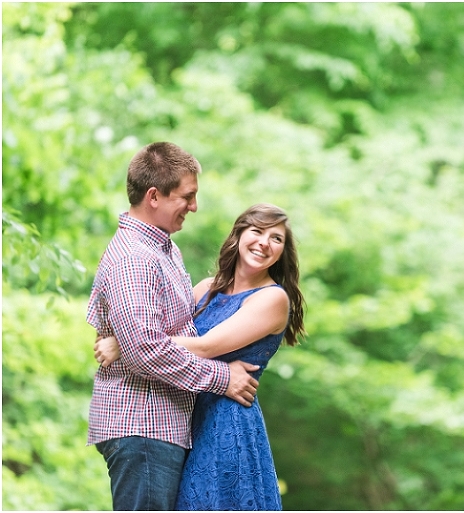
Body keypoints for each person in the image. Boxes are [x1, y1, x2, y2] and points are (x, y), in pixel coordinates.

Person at [95, 203, 306, 510]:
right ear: (238, 235)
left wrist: (124, 345)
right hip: (182, 416)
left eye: (276, 238)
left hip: (226, 422)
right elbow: (157, 331)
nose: (264, 242)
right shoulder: (206, 290)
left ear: (282, 251)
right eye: (257, 231)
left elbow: (206, 346)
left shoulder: (273, 298)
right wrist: (126, 334)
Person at [86, 142, 261, 511]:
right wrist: (222, 378)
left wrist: (122, 340)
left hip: (162, 427)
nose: (194, 207)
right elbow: (147, 351)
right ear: (154, 196)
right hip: (143, 426)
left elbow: (165, 330)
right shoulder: (134, 258)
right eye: (187, 196)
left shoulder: (164, 250)